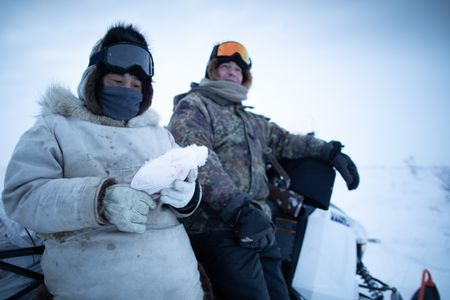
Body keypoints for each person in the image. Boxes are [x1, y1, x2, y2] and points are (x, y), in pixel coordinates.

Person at [2, 23, 204, 299]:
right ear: (94, 80)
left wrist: (189, 196)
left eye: (136, 85)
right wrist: (98, 200)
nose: (127, 90)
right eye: (117, 82)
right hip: (93, 281)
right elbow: (22, 196)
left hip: (178, 286)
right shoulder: (55, 128)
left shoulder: (159, 134)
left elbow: (186, 183)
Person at [168, 41, 360, 300]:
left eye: (238, 70)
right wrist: (237, 208)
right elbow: (196, 158)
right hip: (217, 228)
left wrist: (330, 151)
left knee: (280, 295)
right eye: (225, 66)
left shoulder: (251, 120)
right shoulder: (194, 106)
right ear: (212, 71)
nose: (232, 72)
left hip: (258, 225)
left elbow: (288, 141)